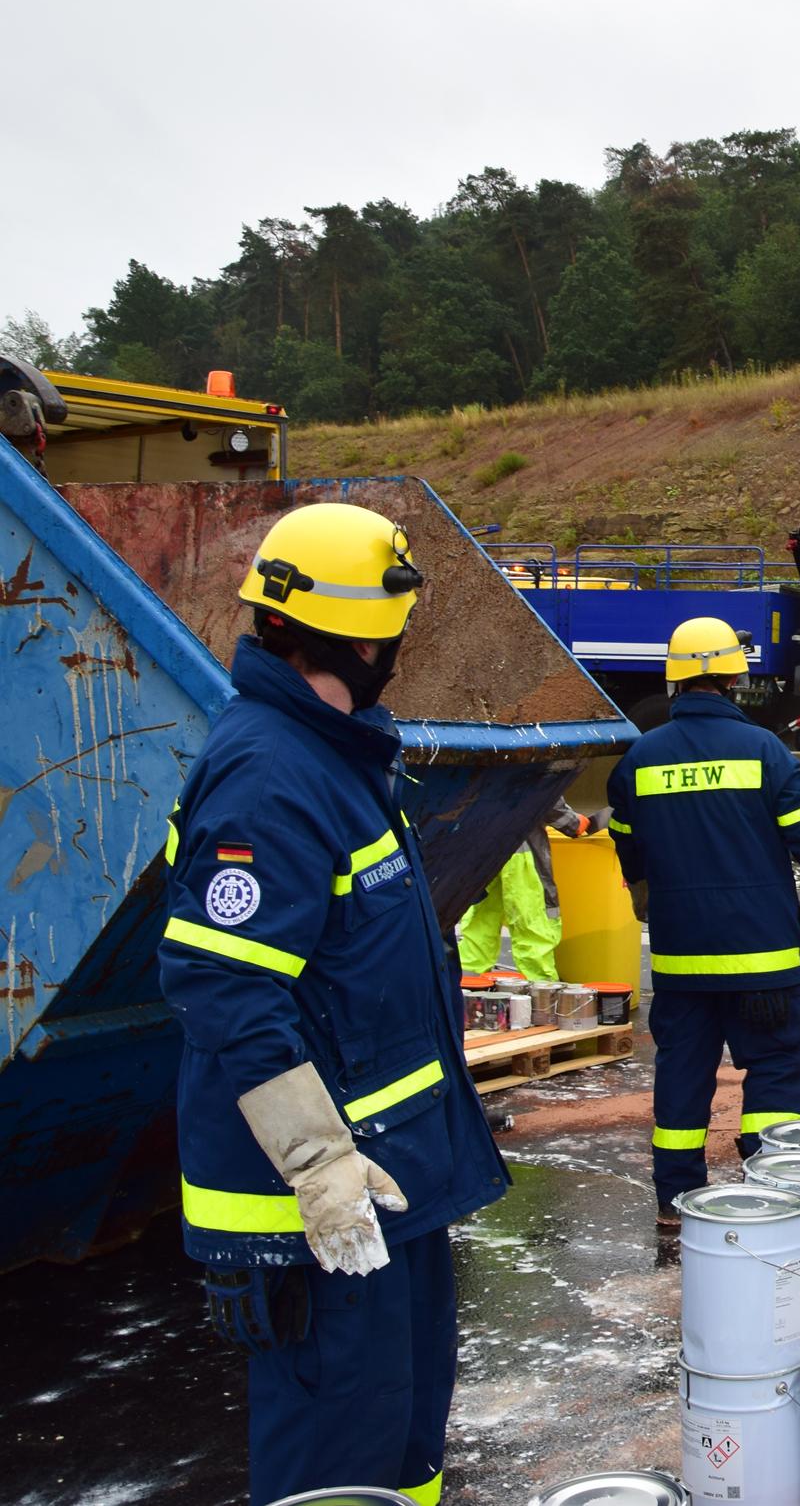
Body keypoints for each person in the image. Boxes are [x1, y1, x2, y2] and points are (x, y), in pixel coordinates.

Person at [159, 500, 508, 1505]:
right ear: (365, 639)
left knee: (404, 1451)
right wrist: (317, 1162)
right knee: (339, 1463)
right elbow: (223, 981)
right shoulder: (271, 775)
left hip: (388, 1184)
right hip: (318, 1210)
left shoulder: (332, 755)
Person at [608, 616, 800, 1225]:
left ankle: (674, 1199)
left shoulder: (640, 758)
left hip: (682, 958)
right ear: (735, 679)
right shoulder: (765, 750)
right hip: (763, 957)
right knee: (778, 1068)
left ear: (675, 681)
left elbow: (627, 845)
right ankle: (771, 1188)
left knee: (682, 1074)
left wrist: (643, 895)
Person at [455, 800, 607, 982]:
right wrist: (572, 822)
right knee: (533, 922)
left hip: (479, 846)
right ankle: (540, 991)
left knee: (481, 919)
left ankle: (467, 985)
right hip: (520, 848)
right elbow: (543, 789)